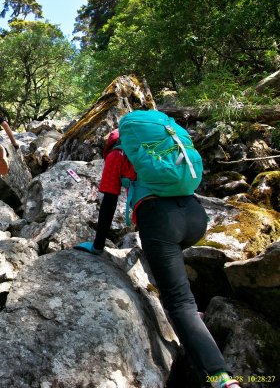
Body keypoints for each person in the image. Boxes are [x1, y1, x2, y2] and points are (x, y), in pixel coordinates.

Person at [75, 117, 241, 388]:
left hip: (160, 221)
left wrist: (96, 246)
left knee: (179, 304)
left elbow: (108, 203)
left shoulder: (118, 155)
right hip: (195, 217)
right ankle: (193, 318)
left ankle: (220, 377)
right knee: (169, 269)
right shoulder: (163, 146)